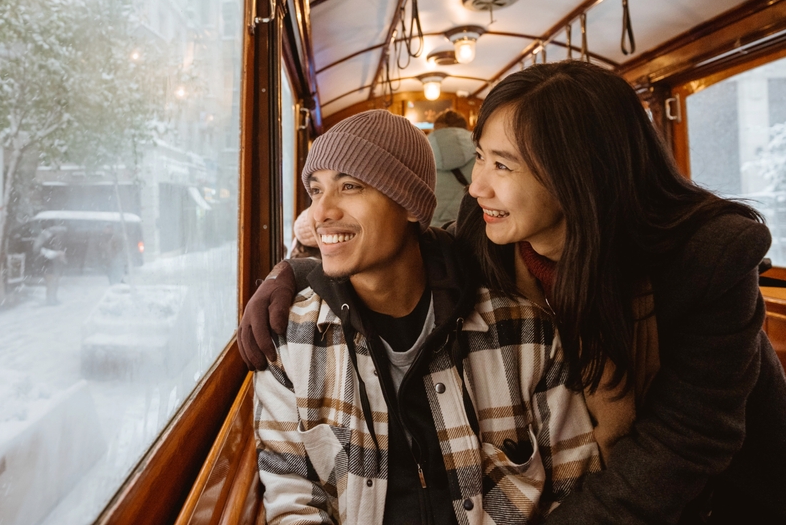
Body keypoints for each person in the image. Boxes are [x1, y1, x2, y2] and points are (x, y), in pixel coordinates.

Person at [240, 61, 786, 523]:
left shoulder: (709, 258)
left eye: (503, 164)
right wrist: (294, 273)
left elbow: (684, 445)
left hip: (726, 494)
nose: (477, 187)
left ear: (577, 175)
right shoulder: (488, 236)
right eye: (480, 156)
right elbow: (403, 248)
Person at [254, 109, 600, 524]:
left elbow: (575, 486)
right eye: (315, 190)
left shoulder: (523, 331)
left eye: (350, 186)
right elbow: (293, 503)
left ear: (411, 206)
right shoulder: (290, 343)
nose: (320, 213)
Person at [429, 108, 475, 227]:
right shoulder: (482, 150)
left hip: (430, 231)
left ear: (436, 129)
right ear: (464, 127)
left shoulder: (419, 150)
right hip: (471, 227)